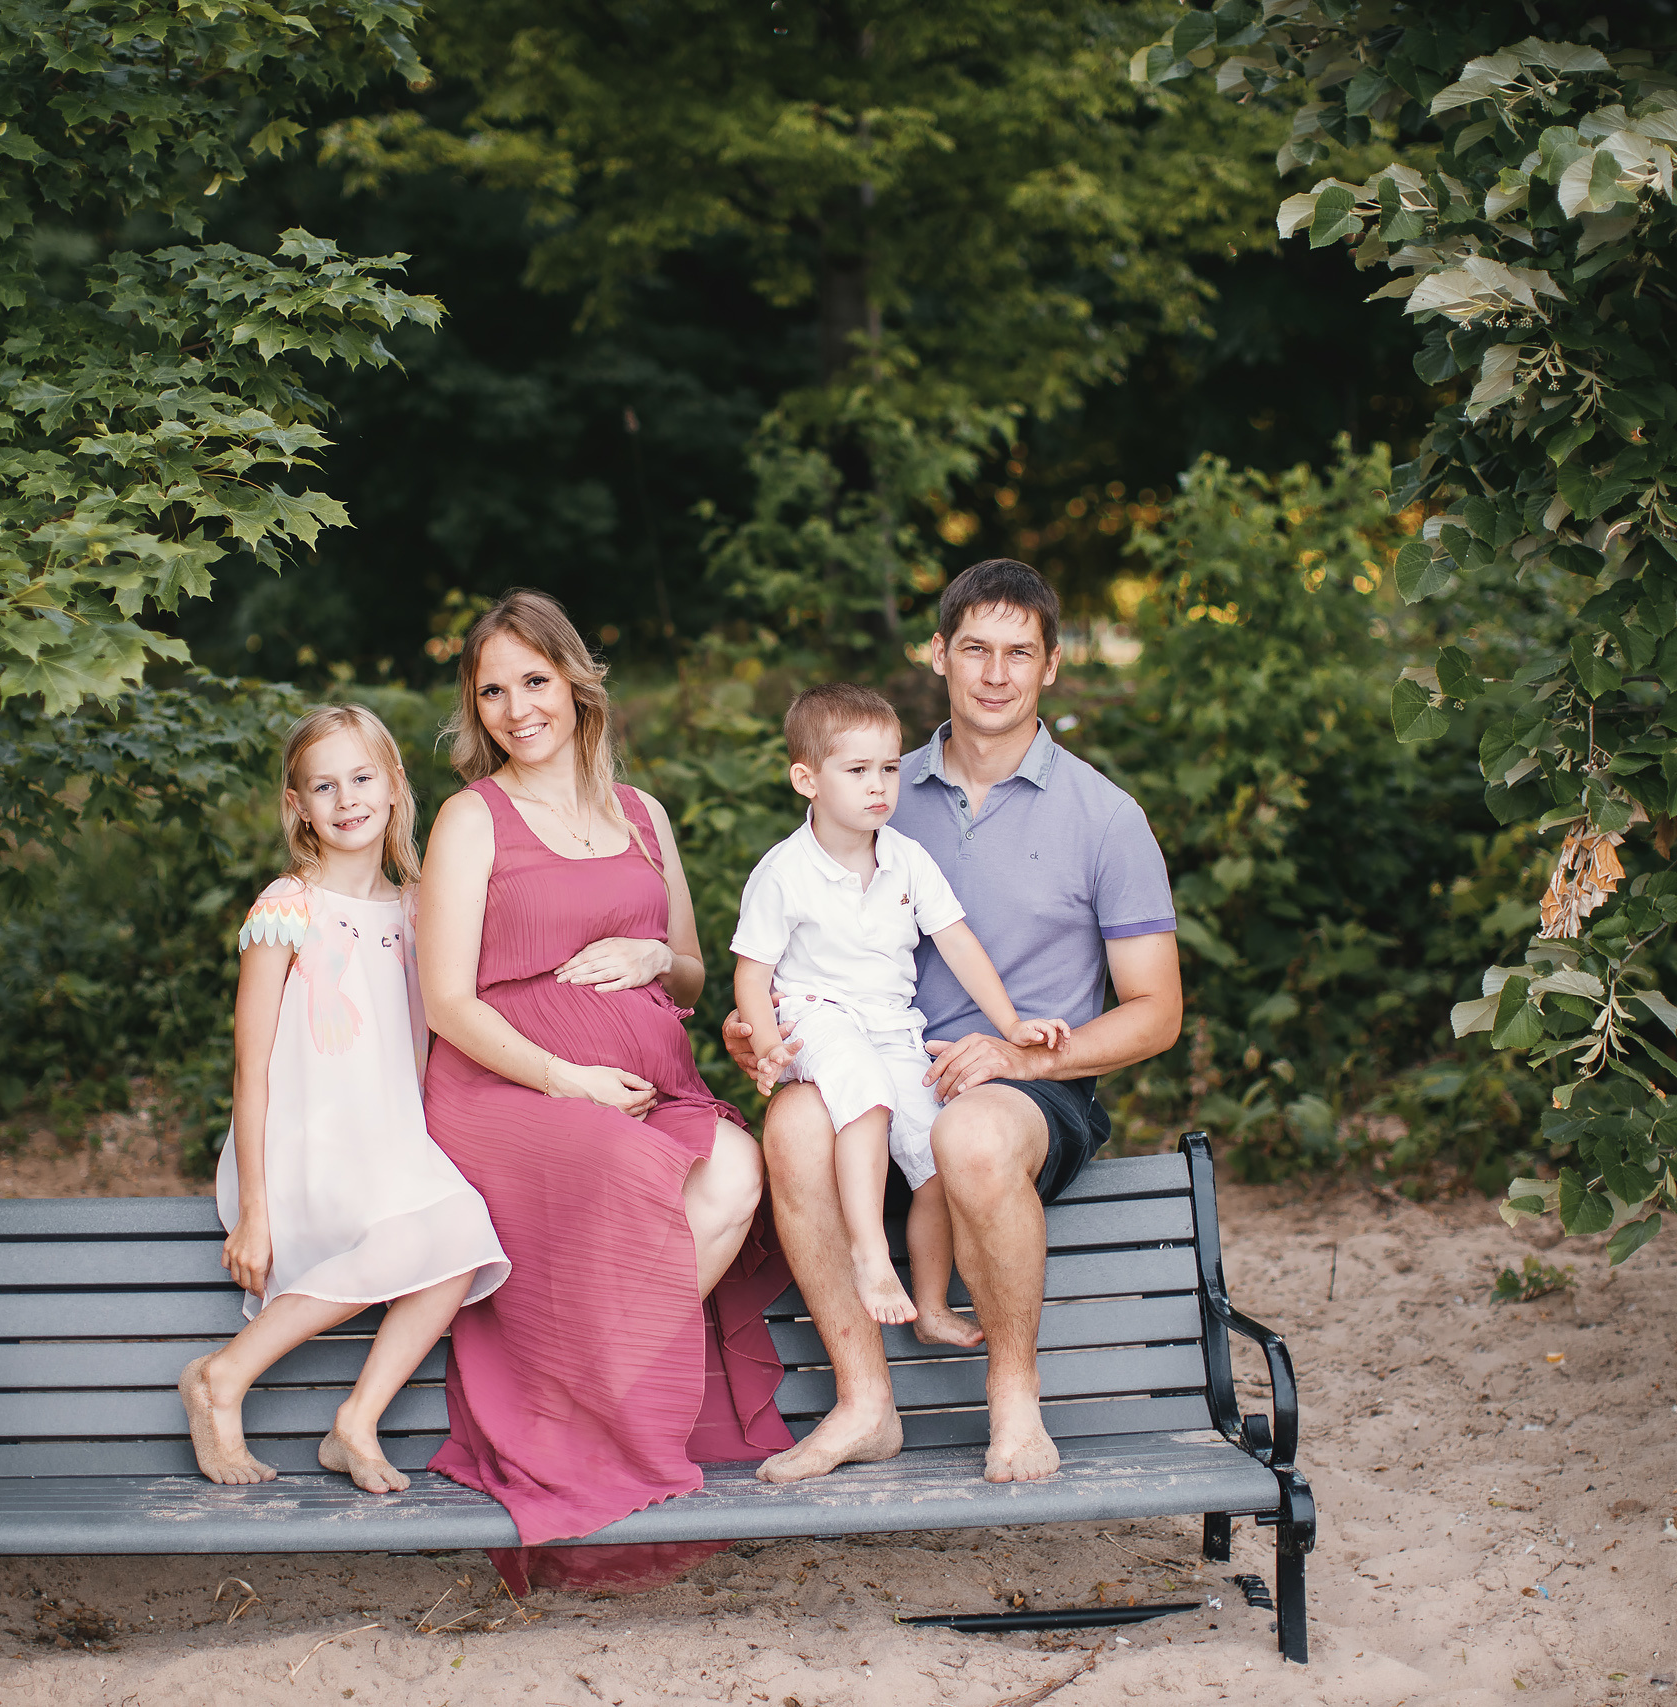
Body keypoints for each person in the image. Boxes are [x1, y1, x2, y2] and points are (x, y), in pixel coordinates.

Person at [729, 559, 1183, 1486]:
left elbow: (1157, 1013)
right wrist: (761, 1031)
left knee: (972, 1131)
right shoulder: (874, 782)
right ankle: (865, 1404)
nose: (995, 673)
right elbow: (791, 952)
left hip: (1028, 1094)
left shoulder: (1106, 817)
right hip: (879, 1065)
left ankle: (1013, 1399)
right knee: (791, 1124)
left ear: (1052, 665)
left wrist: (1024, 1053)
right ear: (938, 653)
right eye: (974, 647)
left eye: (1020, 652)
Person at [417, 588, 791, 1594]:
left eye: (532, 681)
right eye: (491, 690)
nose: (514, 707)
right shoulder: (470, 819)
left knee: (738, 1170)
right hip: (506, 1084)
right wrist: (565, 1079)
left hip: (642, 1080)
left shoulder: (641, 815)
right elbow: (446, 1002)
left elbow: (690, 976)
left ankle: (581, 1405)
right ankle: (570, 1421)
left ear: (575, 684)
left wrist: (647, 954)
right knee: (631, 1171)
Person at [179, 705, 511, 1492]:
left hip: (390, 1145)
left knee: (463, 1241)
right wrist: (255, 1208)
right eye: (323, 786)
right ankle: (221, 1377)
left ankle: (355, 1421)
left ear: (395, 785)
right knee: (426, 1238)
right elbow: (250, 1068)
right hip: (304, 1147)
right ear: (297, 805)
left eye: (362, 777)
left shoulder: (416, 909)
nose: (347, 798)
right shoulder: (286, 906)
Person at [731, 683, 1068, 1343]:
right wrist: (769, 1042)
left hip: (892, 1025)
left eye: (888, 767)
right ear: (807, 779)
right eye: (856, 770)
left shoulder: (907, 859)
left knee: (938, 1156)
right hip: (817, 1015)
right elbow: (753, 972)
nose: (879, 784)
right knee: (865, 1095)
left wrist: (1011, 1025)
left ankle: (932, 1304)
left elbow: (958, 942)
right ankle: (868, 1253)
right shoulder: (784, 872)